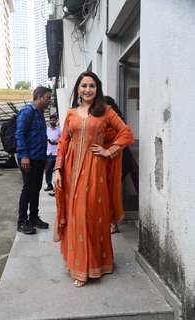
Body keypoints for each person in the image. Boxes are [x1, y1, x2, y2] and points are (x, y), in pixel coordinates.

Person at [53, 71, 134, 287]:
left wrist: (110, 151)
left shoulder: (105, 111)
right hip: (71, 171)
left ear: (97, 89)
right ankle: (80, 264)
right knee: (75, 216)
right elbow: (63, 143)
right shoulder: (70, 114)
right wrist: (57, 170)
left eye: (92, 86)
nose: (87, 89)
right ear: (78, 89)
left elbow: (126, 133)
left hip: (95, 171)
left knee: (89, 215)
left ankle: (95, 264)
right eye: (83, 85)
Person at [16, 86, 52, 235]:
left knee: (36, 189)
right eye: (48, 98)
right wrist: (24, 155)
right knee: (28, 189)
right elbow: (20, 133)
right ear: (39, 96)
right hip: (28, 158)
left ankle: (34, 217)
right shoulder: (27, 111)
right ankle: (22, 221)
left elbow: (41, 138)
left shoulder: (40, 114)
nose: (49, 101)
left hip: (38, 158)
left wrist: (44, 158)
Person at [104, 96, 139, 234]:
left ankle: (113, 223)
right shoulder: (107, 119)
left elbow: (124, 138)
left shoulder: (115, 121)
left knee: (111, 192)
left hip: (120, 159)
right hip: (113, 159)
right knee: (111, 192)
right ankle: (112, 222)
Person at [44, 113, 61, 195]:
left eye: (54, 120)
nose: (52, 121)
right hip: (49, 153)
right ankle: (49, 185)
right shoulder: (47, 130)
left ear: (56, 121)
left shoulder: (59, 130)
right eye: (51, 120)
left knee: (57, 172)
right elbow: (44, 139)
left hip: (57, 153)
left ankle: (56, 187)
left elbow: (62, 140)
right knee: (48, 171)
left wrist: (57, 141)